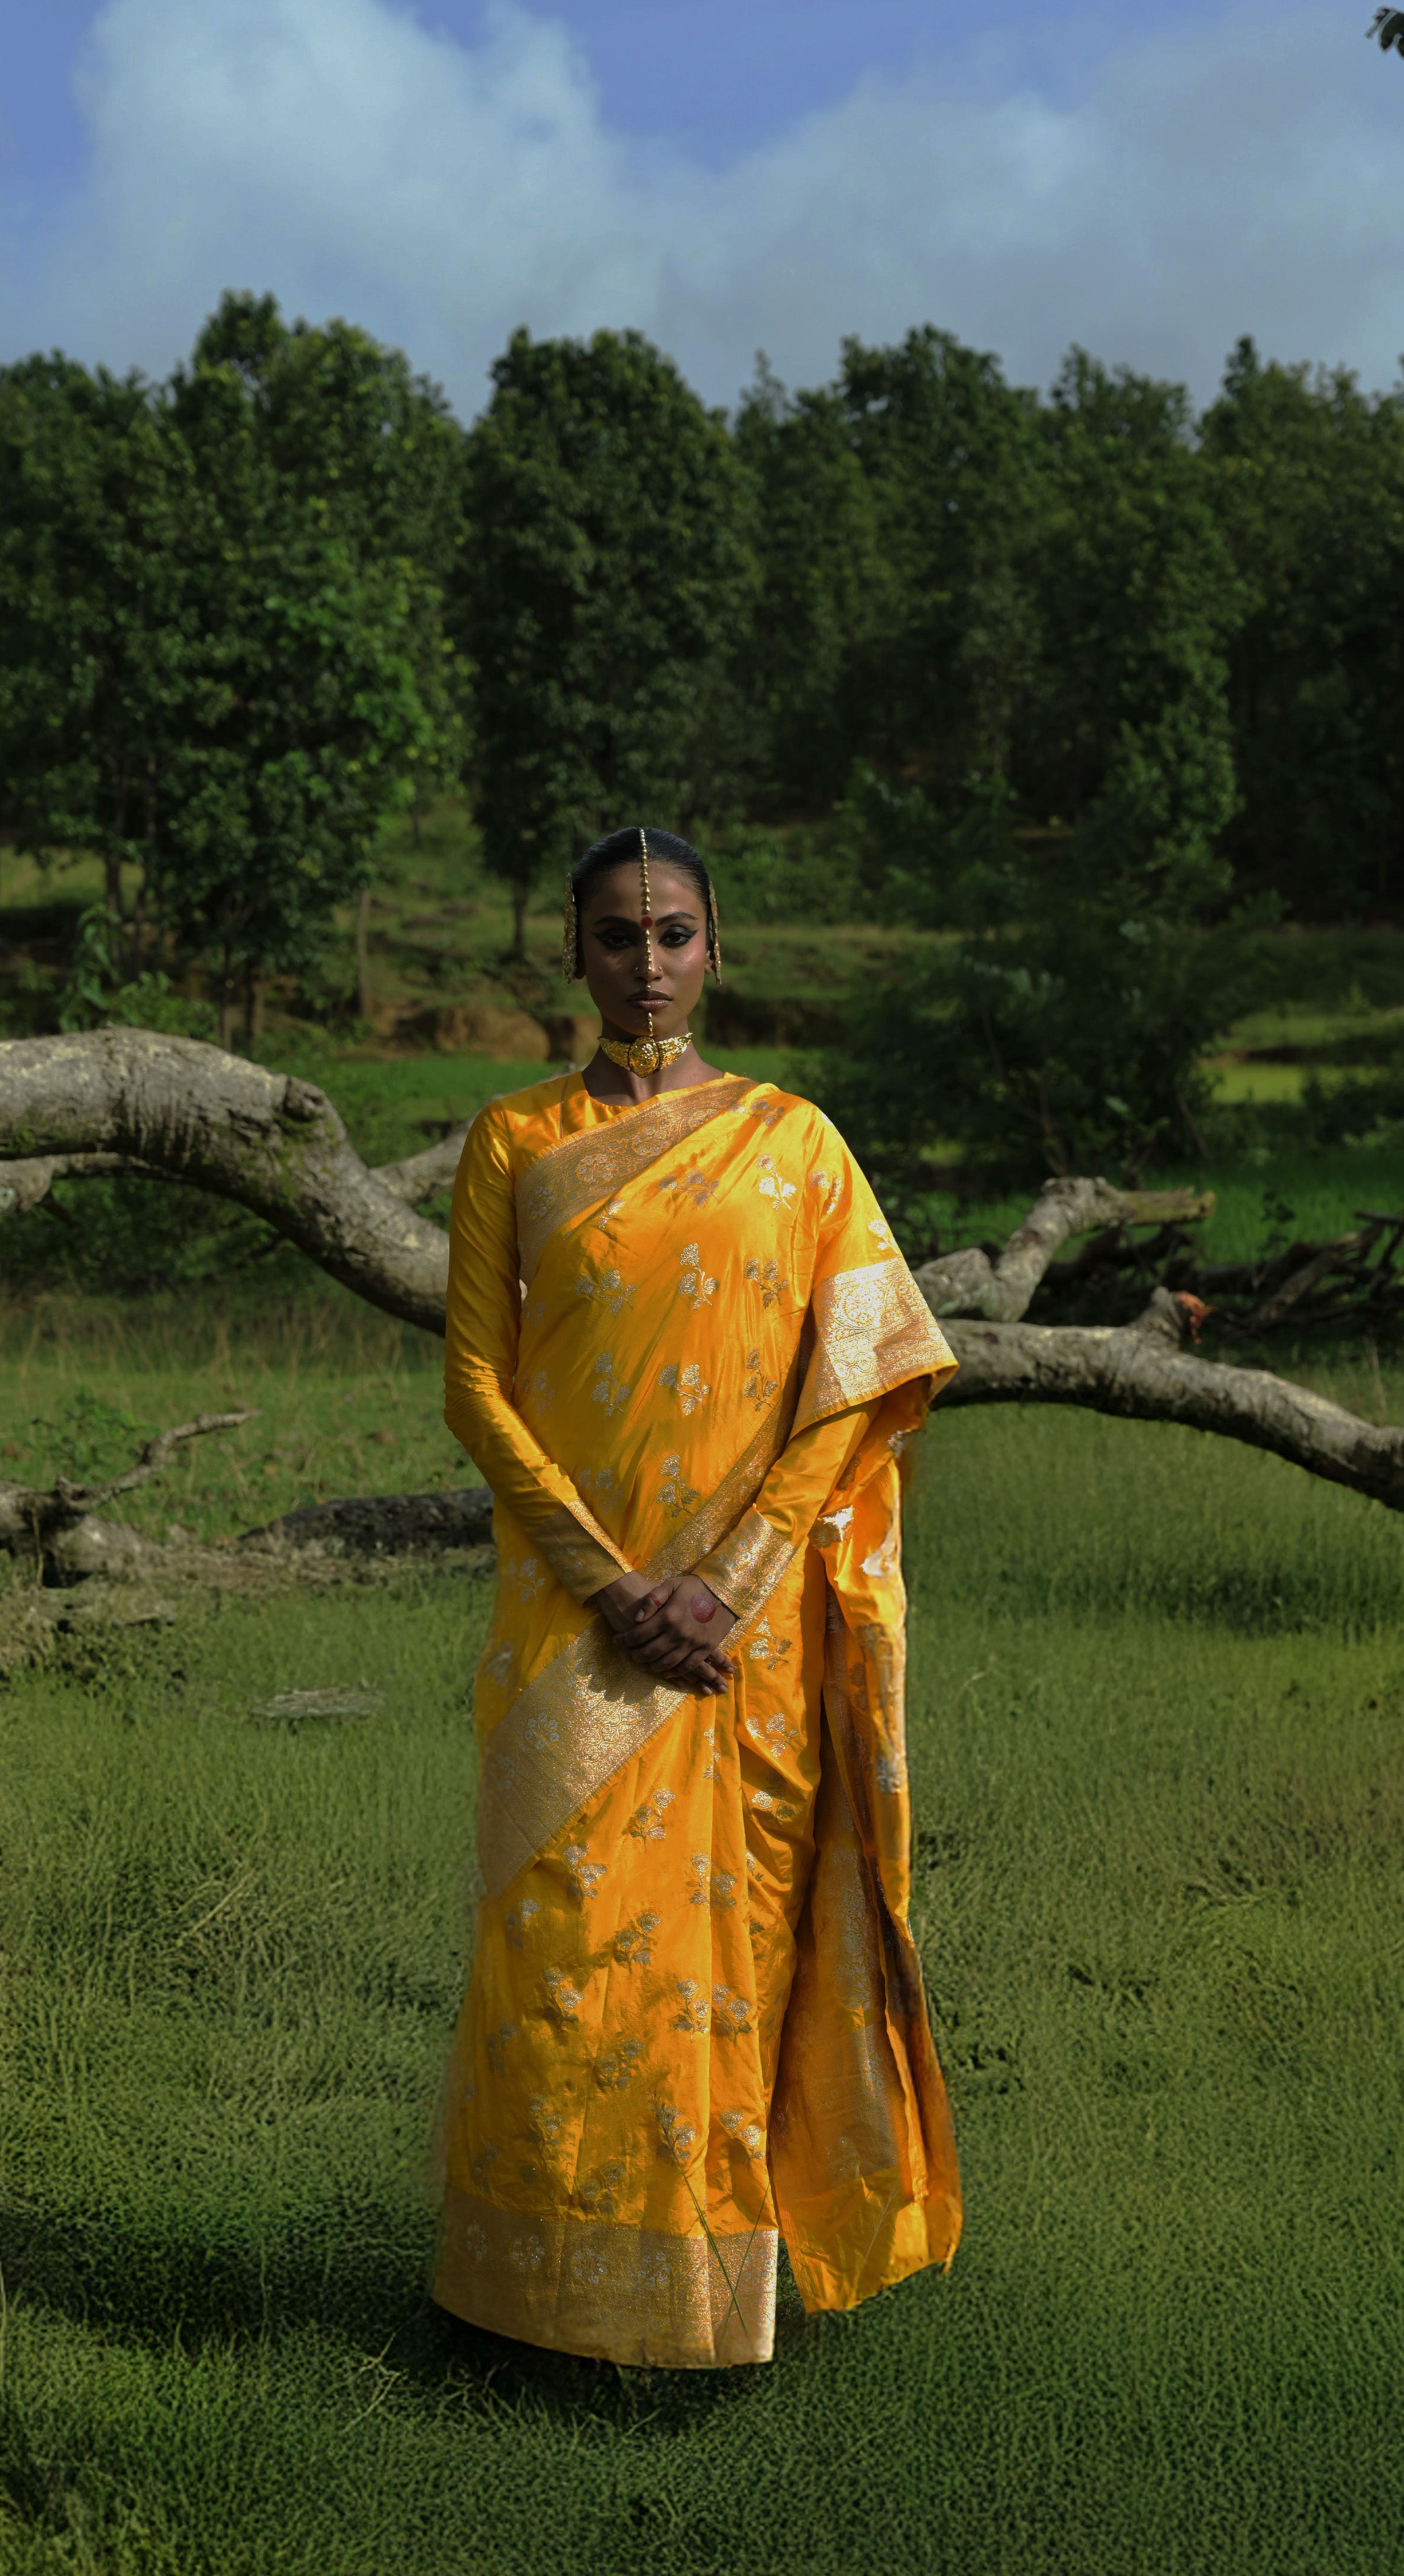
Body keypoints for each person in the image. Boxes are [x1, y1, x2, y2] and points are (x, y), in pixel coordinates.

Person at [431, 825, 961, 2369]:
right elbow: (476, 1383)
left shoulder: (799, 1145)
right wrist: (611, 1583)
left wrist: (724, 1589)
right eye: (615, 936)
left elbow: (856, 1387)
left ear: (715, 945)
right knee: (556, 1952)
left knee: (729, 1966)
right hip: (570, 1625)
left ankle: (711, 2308)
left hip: (748, 1640)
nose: (646, 964)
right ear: (576, 954)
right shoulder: (513, 1140)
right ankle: (534, 2312)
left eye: (672, 933)